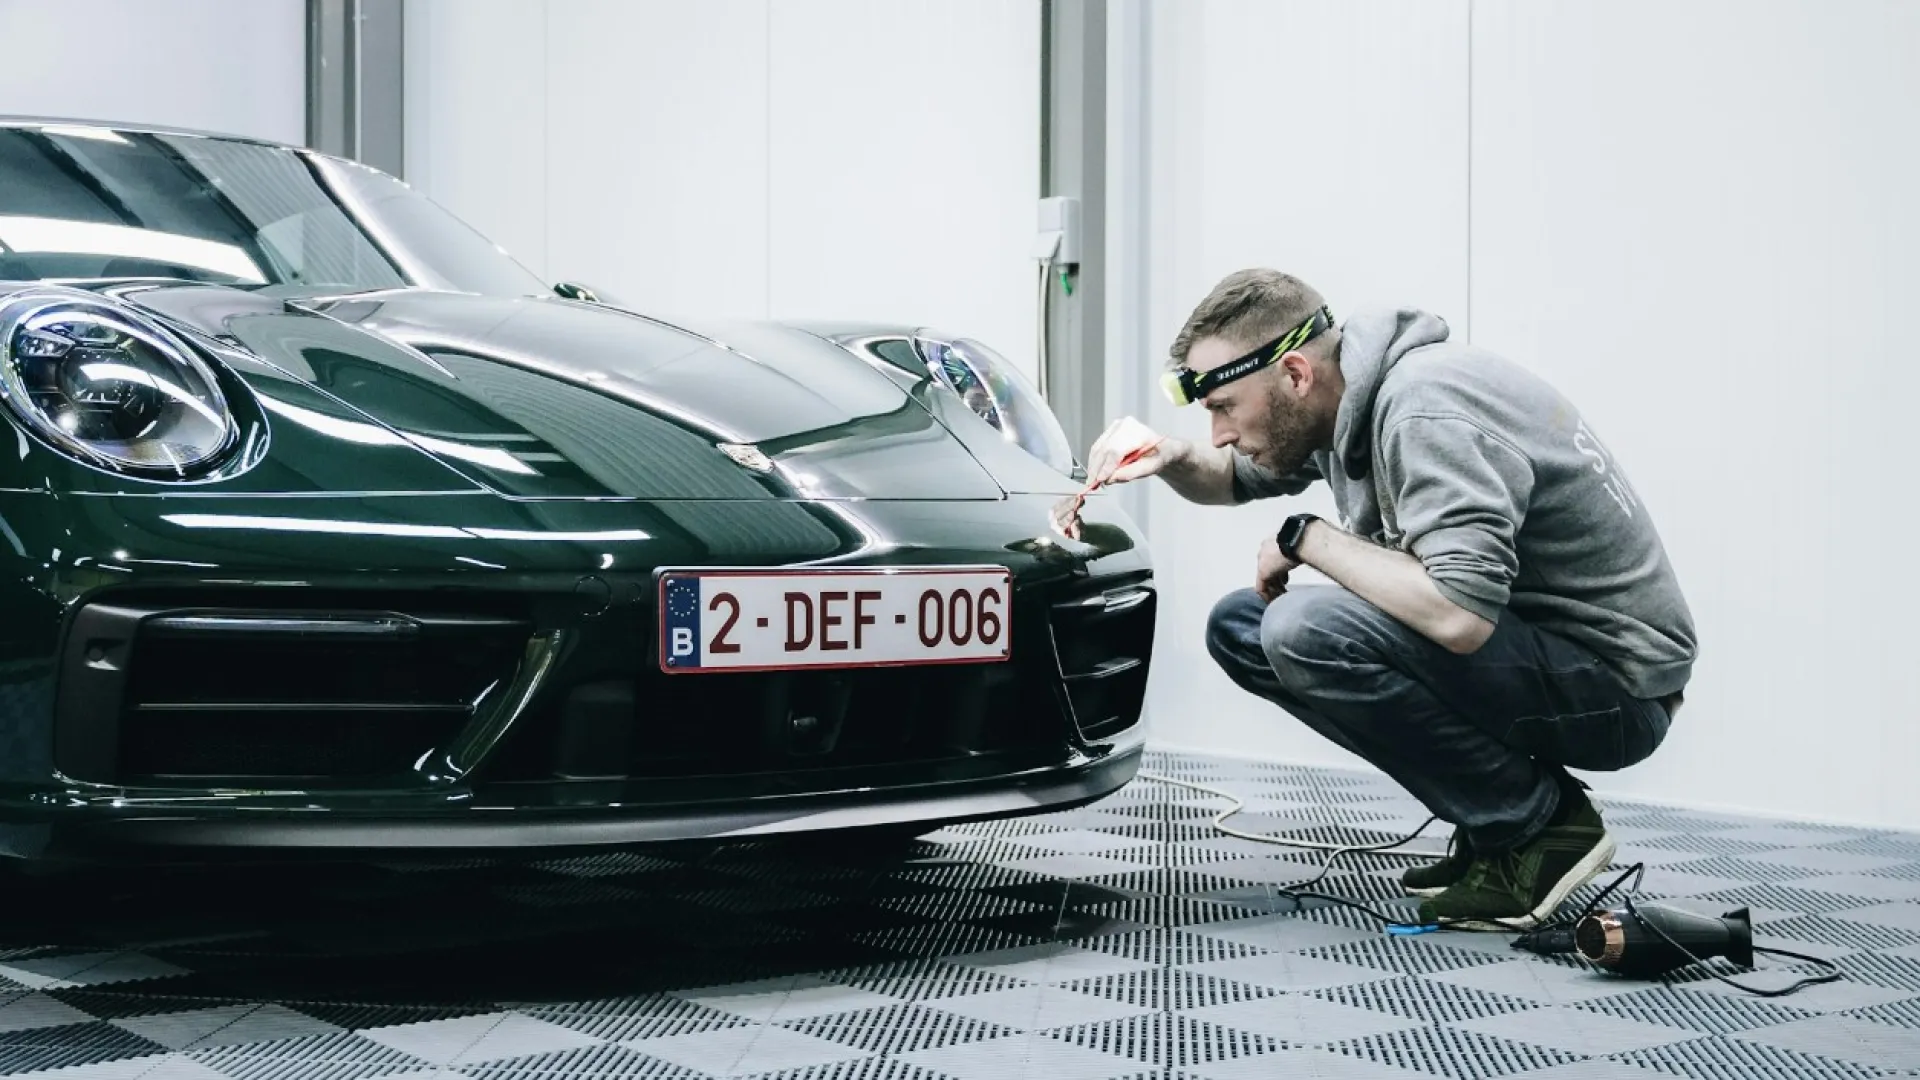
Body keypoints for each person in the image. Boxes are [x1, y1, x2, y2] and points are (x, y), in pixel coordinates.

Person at [1056, 269, 1695, 930]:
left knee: (1305, 629)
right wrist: (1169, 454)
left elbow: (1459, 615)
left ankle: (1539, 828)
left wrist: (1307, 538)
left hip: (1617, 691)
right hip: (1541, 657)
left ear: (1296, 375)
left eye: (1224, 407)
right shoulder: (1341, 403)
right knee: (1242, 626)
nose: (1218, 431)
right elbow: (1234, 475)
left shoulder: (1423, 407)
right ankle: (1495, 824)